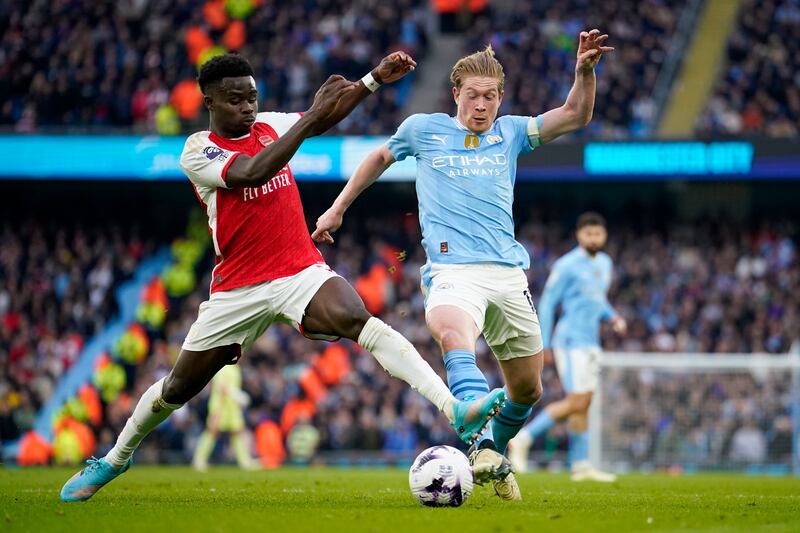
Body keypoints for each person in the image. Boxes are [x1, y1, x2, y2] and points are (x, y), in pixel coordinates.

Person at [60, 52, 505, 502]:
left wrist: (371, 81)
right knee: (178, 388)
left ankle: (456, 410)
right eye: (235, 100)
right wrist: (311, 115)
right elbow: (257, 169)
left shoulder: (270, 125)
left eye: (252, 98)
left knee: (360, 319)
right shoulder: (198, 150)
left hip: (298, 269)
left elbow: (324, 115)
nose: (247, 107)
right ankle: (116, 459)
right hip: (239, 287)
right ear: (210, 102)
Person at [313, 30, 614, 500]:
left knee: (528, 391)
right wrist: (337, 209)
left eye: (490, 97)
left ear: (500, 98)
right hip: (453, 272)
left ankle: (490, 448)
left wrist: (584, 72)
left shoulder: (512, 132)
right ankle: (475, 432)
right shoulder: (423, 129)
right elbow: (378, 157)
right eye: (472, 96)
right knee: (453, 333)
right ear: (456, 94)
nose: (481, 105)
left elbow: (575, 114)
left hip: (508, 275)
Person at [508, 212, 626, 482]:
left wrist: (613, 317)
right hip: (569, 340)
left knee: (584, 403)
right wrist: (545, 343)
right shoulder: (567, 264)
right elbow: (548, 303)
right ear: (579, 235)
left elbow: (598, 300)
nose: (593, 238)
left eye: (598, 234)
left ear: (604, 235)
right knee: (577, 401)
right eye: (589, 233)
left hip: (591, 341)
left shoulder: (605, 263)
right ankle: (524, 438)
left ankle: (581, 465)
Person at [192, 364, 256, 471]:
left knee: (237, 432)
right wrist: (238, 396)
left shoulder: (235, 368)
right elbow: (222, 387)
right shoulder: (222, 366)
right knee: (212, 431)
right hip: (220, 406)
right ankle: (198, 460)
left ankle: (245, 461)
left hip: (232, 407)